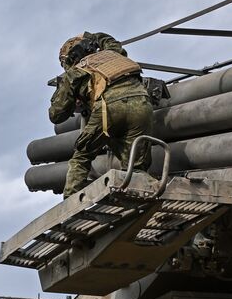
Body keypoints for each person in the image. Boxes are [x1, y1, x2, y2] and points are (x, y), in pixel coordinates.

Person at [49, 31, 155, 197]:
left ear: (70, 58)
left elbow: (56, 115)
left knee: (82, 155)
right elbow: (109, 40)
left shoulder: (76, 71)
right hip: (142, 103)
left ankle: (71, 201)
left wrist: (65, 92)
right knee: (136, 166)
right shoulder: (113, 52)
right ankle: (143, 192)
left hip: (109, 108)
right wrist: (90, 35)